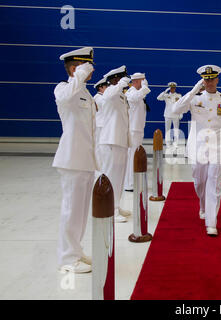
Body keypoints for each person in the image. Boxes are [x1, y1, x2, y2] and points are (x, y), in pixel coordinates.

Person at [172, 65, 221, 236]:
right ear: (203, 80)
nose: (209, 82)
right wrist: (194, 89)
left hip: (218, 147)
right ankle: (203, 205)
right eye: (206, 79)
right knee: (199, 182)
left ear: (217, 79)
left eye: (212, 79)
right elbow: (176, 110)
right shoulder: (194, 98)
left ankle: (211, 222)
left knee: (214, 182)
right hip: (198, 147)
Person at [52, 47, 96, 273]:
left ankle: (76, 251)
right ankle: (67, 259)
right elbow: (66, 97)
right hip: (71, 159)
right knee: (71, 209)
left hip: (86, 160)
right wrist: (78, 75)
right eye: (86, 65)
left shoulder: (86, 93)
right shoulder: (63, 88)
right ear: (73, 68)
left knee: (80, 210)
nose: (92, 69)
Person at [99, 65, 132, 223]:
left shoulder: (121, 96)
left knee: (119, 176)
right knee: (111, 176)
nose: (126, 81)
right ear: (115, 79)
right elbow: (107, 95)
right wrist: (119, 84)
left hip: (120, 140)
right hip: (111, 140)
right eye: (122, 78)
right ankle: (110, 209)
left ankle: (117, 206)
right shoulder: (111, 93)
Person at [124, 72, 151, 191]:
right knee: (132, 157)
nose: (145, 82)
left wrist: (144, 88)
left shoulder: (139, 94)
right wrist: (145, 87)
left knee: (134, 156)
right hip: (133, 129)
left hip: (138, 129)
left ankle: (133, 182)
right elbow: (135, 98)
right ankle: (129, 184)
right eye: (143, 80)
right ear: (136, 81)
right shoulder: (131, 92)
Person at [157, 82, 183, 149]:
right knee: (167, 130)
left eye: (173, 88)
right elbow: (158, 98)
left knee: (176, 129)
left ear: (175, 88)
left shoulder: (178, 96)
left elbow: (181, 105)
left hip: (176, 115)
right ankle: (168, 143)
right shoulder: (166, 95)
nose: (172, 89)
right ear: (169, 88)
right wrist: (165, 92)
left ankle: (176, 143)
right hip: (168, 115)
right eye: (171, 88)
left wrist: (181, 114)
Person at [93, 77, 108, 169]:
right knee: (99, 146)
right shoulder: (98, 97)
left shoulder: (102, 97)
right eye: (106, 87)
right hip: (100, 124)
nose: (108, 89)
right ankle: (99, 166)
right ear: (100, 88)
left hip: (103, 124)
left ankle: (102, 164)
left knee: (103, 146)